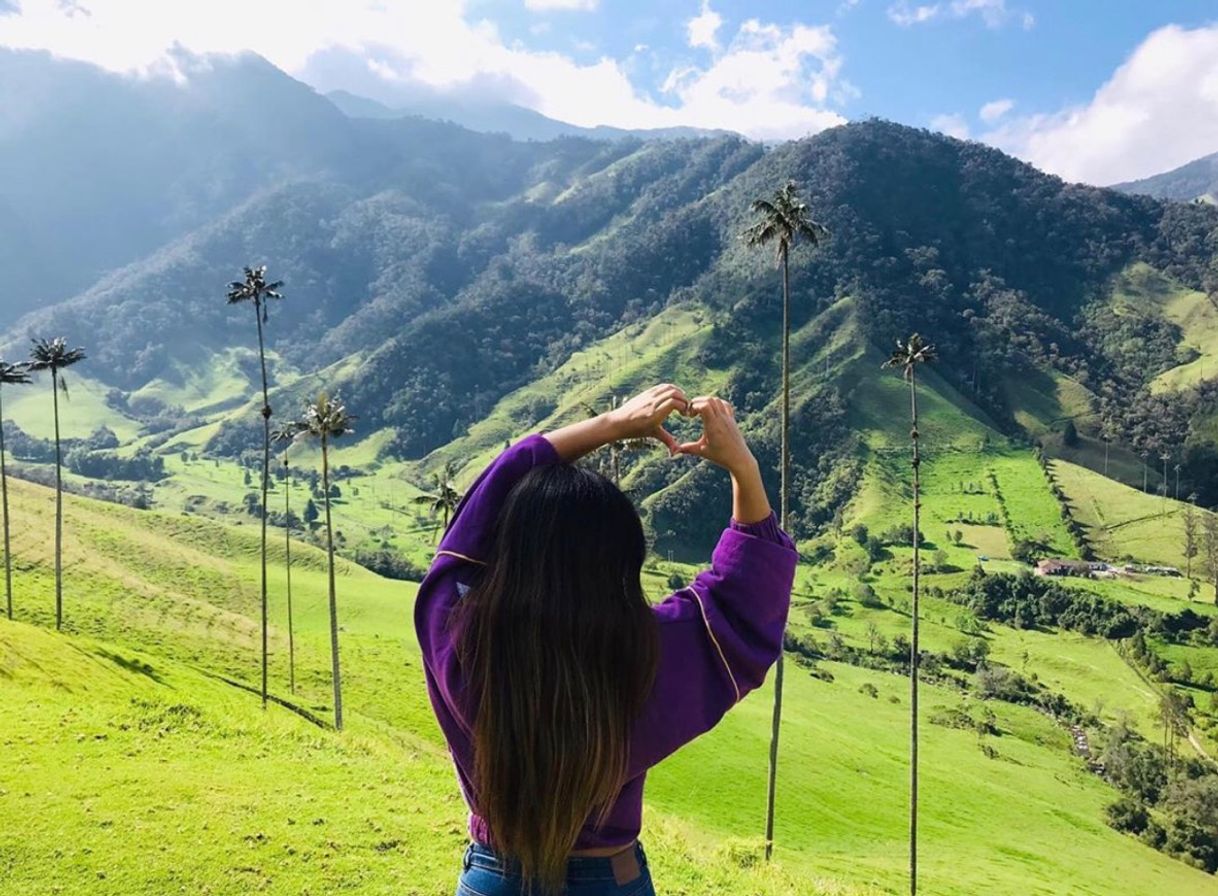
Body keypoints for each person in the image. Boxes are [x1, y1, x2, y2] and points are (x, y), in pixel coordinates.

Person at [415, 384, 797, 896]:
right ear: (620, 565)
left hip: (494, 878)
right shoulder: (649, 654)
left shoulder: (454, 628)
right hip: (608, 881)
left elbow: (474, 519)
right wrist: (743, 470)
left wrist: (611, 425)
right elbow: (742, 603)